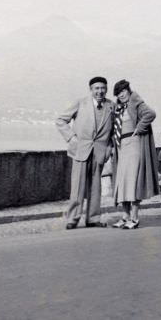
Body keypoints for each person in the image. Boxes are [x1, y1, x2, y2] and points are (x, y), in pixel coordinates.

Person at [55, 76, 115, 230]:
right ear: (91, 89)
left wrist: (109, 148)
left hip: (100, 152)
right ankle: (73, 219)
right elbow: (60, 121)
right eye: (96, 88)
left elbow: (115, 130)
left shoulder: (111, 106)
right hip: (80, 150)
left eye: (102, 88)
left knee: (96, 188)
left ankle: (93, 218)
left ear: (106, 89)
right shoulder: (80, 103)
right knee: (77, 187)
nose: (100, 91)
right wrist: (71, 138)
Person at [111, 79, 159, 229]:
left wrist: (139, 129)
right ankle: (125, 217)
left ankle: (134, 218)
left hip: (133, 145)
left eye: (123, 91)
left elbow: (151, 114)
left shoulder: (135, 102)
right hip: (121, 147)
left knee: (132, 181)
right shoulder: (119, 108)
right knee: (122, 182)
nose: (121, 95)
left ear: (128, 90)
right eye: (118, 93)